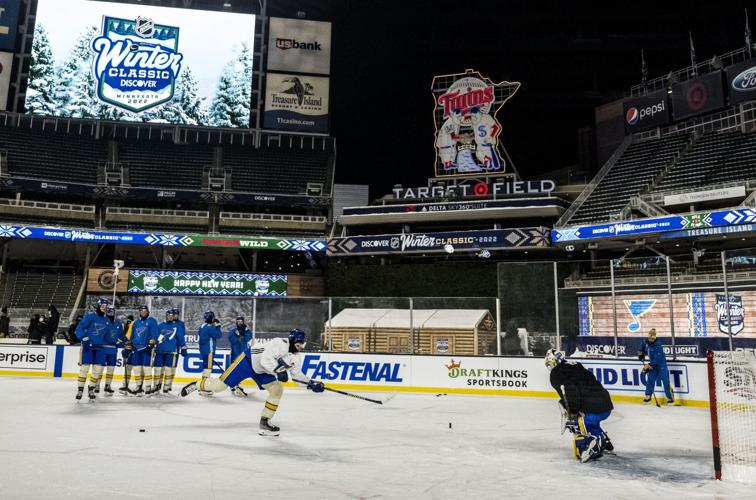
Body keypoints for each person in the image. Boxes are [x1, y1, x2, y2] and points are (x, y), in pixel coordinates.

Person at [181, 329, 325, 436]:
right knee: (219, 386)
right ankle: (197, 384)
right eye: (299, 345)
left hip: (262, 372)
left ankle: (265, 422)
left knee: (277, 389)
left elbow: (297, 375)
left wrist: (311, 384)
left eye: (302, 345)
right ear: (293, 341)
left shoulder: (295, 358)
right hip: (247, 362)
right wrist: (278, 371)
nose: (300, 348)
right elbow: (265, 360)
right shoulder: (278, 343)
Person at [545, 349, 614, 463]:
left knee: (578, 422)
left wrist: (573, 412)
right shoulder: (575, 365)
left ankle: (592, 444)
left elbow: (570, 392)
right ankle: (604, 441)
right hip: (605, 404)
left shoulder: (556, 373)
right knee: (590, 422)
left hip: (593, 407)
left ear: (553, 361)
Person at [75, 298, 111, 401]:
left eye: (106, 306)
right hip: (88, 346)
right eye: (103, 306)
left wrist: (120, 341)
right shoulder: (90, 316)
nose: (104, 308)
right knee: (84, 369)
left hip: (100, 348)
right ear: (98, 306)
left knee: (97, 370)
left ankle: (91, 389)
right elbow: (79, 328)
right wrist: (82, 337)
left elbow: (108, 337)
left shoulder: (106, 320)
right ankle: (80, 389)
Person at [125, 305, 158, 397]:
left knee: (146, 368)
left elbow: (155, 334)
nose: (143, 312)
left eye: (145, 310)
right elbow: (132, 336)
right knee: (136, 368)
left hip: (146, 348)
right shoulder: (136, 323)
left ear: (148, 311)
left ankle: (148, 387)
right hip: (136, 348)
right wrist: (129, 346)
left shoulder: (152, 321)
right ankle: (139, 387)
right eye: (141, 310)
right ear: (139, 312)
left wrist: (151, 343)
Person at [152, 308, 187, 395]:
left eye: (172, 316)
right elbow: (155, 337)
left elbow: (181, 338)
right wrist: (153, 342)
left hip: (171, 352)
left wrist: (183, 347)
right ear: (166, 316)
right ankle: (156, 386)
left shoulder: (177, 327)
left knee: (168, 370)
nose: (171, 317)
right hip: (160, 351)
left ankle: (166, 387)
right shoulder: (160, 326)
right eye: (169, 315)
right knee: (157, 369)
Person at [638, 328, 674, 405]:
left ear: (655, 338)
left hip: (661, 364)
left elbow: (658, 359)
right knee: (650, 379)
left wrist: (649, 366)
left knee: (665, 380)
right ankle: (648, 396)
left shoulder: (658, 346)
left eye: (652, 338)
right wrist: (641, 354)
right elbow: (642, 347)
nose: (650, 340)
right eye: (649, 338)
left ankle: (670, 398)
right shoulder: (646, 341)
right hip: (652, 363)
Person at [98, 306, 127, 396]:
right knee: (100, 369)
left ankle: (108, 386)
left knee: (111, 369)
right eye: (109, 312)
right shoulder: (102, 322)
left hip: (113, 350)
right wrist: (114, 342)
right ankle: (96, 385)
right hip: (102, 349)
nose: (110, 314)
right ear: (106, 313)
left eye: (112, 312)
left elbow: (122, 336)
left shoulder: (118, 323)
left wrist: (128, 342)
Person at [197, 311, 222, 395]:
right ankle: (204, 388)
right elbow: (218, 335)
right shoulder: (210, 327)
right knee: (208, 369)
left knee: (206, 368)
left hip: (203, 350)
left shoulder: (202, 326)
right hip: (209, 351)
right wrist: (218, 326)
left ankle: (202, 386)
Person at [227, 316, 253, 397]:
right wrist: (237, 336)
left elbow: (249, 338)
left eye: (241, 321)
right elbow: (231, 339)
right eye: (238, 321)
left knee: (241, 371)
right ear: (236, 322)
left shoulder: (246, 330)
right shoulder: (233, 331)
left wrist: (244, 333)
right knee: (233, 370)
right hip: (235, 354)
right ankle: (232, 386)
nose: (239, 323)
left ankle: (238, 385)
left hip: (243, 354)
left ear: (243, 322)